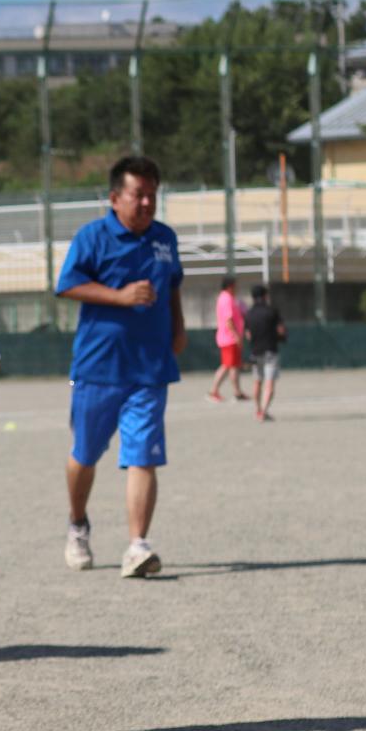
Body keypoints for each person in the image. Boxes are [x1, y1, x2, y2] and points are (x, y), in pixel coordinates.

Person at [57, 155, 185, 579]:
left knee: (142, 457)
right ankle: (78, 525)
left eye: (153, 195)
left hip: (150, 369)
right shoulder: (92, 236)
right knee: (84, 455)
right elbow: (68, 284)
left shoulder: (165, 238)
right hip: (98, 367)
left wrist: (179, 328)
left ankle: (137, 546)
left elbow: (173, 288)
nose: (147, 203)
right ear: (115, 198)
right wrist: (121, 296)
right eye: (138, 195)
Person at [244, 285, 286, 421]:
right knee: (269, 384)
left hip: (255, 352)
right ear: (265, 295)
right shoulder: (272, 311)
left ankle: (258, 410)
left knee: (257, 382)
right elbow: (281, 330)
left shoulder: (249, 313)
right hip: (270, 351)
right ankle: (264, 411)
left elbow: (248, 335)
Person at [207, 276, 247, 403]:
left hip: (228, 338)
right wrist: (236, 336)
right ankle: (215, 391)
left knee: (231, 365)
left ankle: (237, 392)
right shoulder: (227, 299)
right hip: (229, 338)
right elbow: (229, 320)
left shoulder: (227, 298)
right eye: (235, 285)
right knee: (228, 366)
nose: (237, 288)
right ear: (230, 286)